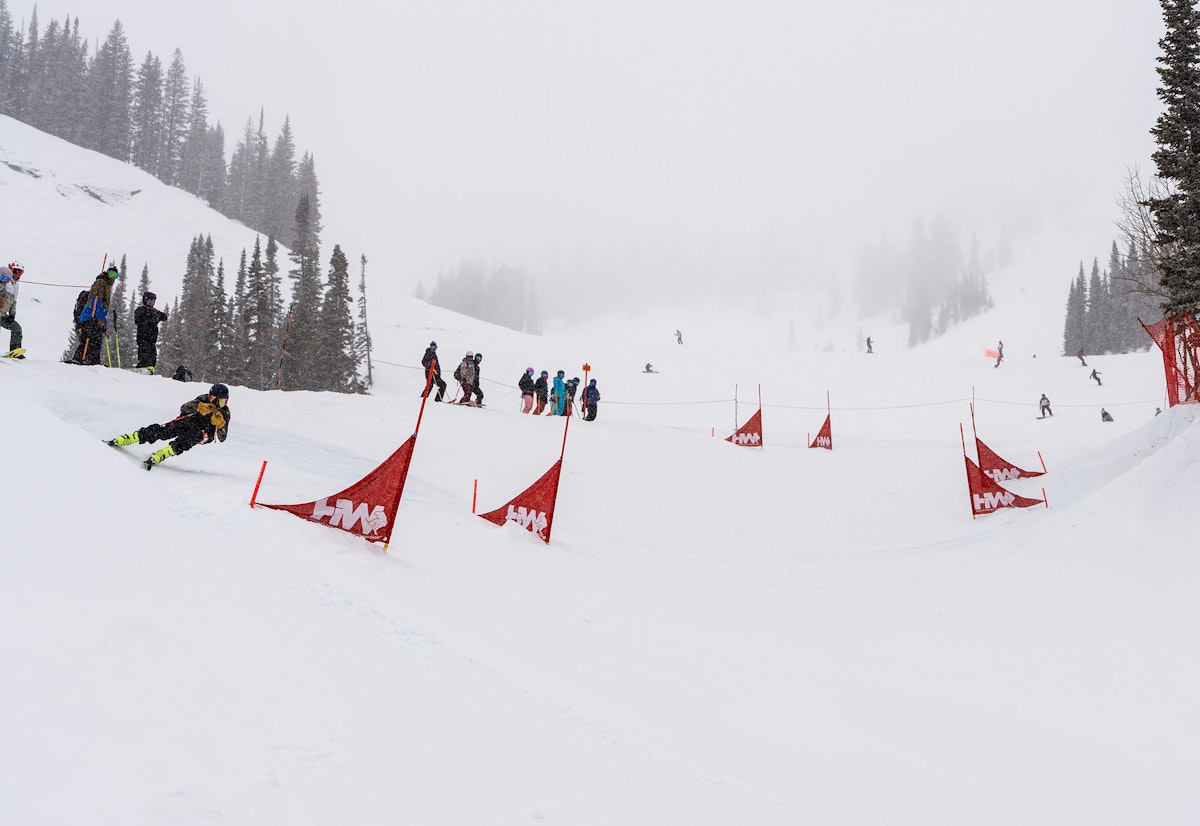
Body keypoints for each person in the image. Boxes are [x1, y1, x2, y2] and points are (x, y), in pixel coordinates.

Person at [107, 383, 232, 470]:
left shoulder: (224, 413)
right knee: (164, 431)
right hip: (187, 422)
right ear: (210, 396)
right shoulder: (202, 399)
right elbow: (184, 407)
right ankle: (129, 438)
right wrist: (198, 407)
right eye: (215, 400)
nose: (217, 404)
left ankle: (163, 454)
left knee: (188, 440)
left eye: (221, 402)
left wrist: (221, 425)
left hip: (202, 433)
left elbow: (222, 438)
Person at [71, 264, 119, 365]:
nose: (113, 278)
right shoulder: (101, 283)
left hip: (95, 317)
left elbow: (103, 309)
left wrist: (103, 322)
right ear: (107, 273)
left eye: (115, 276)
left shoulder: (106, 285)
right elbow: (96, 301)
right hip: (91, 317)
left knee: (94, 341)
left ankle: (90, 362)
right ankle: (82, 361)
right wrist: (99, 319)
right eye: (111, 274)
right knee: (91, 341)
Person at [133, 291, 167, 371]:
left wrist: (159, 316)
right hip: (143, 339)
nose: (151, 303)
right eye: (149, 300)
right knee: (144, 358)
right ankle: (140, 370)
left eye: (153, 301)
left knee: (153, 359)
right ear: (145, 300)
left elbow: (164, 317)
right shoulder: (140, 310)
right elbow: (138, 321)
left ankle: (149, 372)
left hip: (152, 340)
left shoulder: (154, 312)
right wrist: (149, 319)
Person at [0, 261, 24, 357]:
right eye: (15, 271)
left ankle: (15, 352)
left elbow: (14, 301)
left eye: (20, 272)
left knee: (17, 329)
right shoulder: (4, 280)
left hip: (3, 315)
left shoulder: (16, 286)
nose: (17, 274)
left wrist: (12, 314)